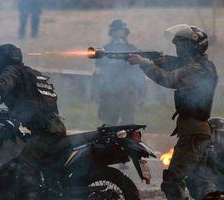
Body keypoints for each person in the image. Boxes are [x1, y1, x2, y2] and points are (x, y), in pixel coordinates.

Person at [128, 24, 218, 200]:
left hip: (193, 133)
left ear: (192, 47)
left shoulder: (197, 69)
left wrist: (144, 64)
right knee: (199, 183)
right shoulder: (202, 65)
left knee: (172, 182)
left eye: (181, 46)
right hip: (197, 132)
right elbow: (173, 65)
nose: (178, 50)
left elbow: (169, 79)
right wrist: (157, 59)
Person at [0, 43, 66, 199]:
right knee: (13, 158)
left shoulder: (12, 72)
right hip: (47, 128)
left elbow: (0, 88)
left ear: (2, 59)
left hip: (46, 131)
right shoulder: (29, 74)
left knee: (24, 168)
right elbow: (30, 104)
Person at [92, 19, 146, 125]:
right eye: (116, 30)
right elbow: (97, 72)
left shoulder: (132, 49)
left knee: (128, 123)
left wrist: (142, 94)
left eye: (121, 30)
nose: (119, 33)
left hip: (128, 91)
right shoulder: (104, 49)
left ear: (125, 32)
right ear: (111, 32)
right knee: (109, 123)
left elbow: (139, 73)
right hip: (109, 92)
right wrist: (95, 91)